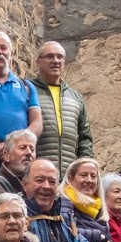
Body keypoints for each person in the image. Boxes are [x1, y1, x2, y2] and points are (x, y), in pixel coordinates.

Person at [0, 32, 41, 181]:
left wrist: (18, 146)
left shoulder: (26, 86)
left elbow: (37, 122)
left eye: (3, 48)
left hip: (21, 163)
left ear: (10, 53)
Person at [32, 41, 94, 172]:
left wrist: (85, 166)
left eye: (60, 57)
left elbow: (85, 138)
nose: (56, 61)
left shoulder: (75, 97)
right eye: (50, 56)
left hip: (68, 175)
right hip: (38, 173)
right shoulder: (27, 90)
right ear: (38, 62)